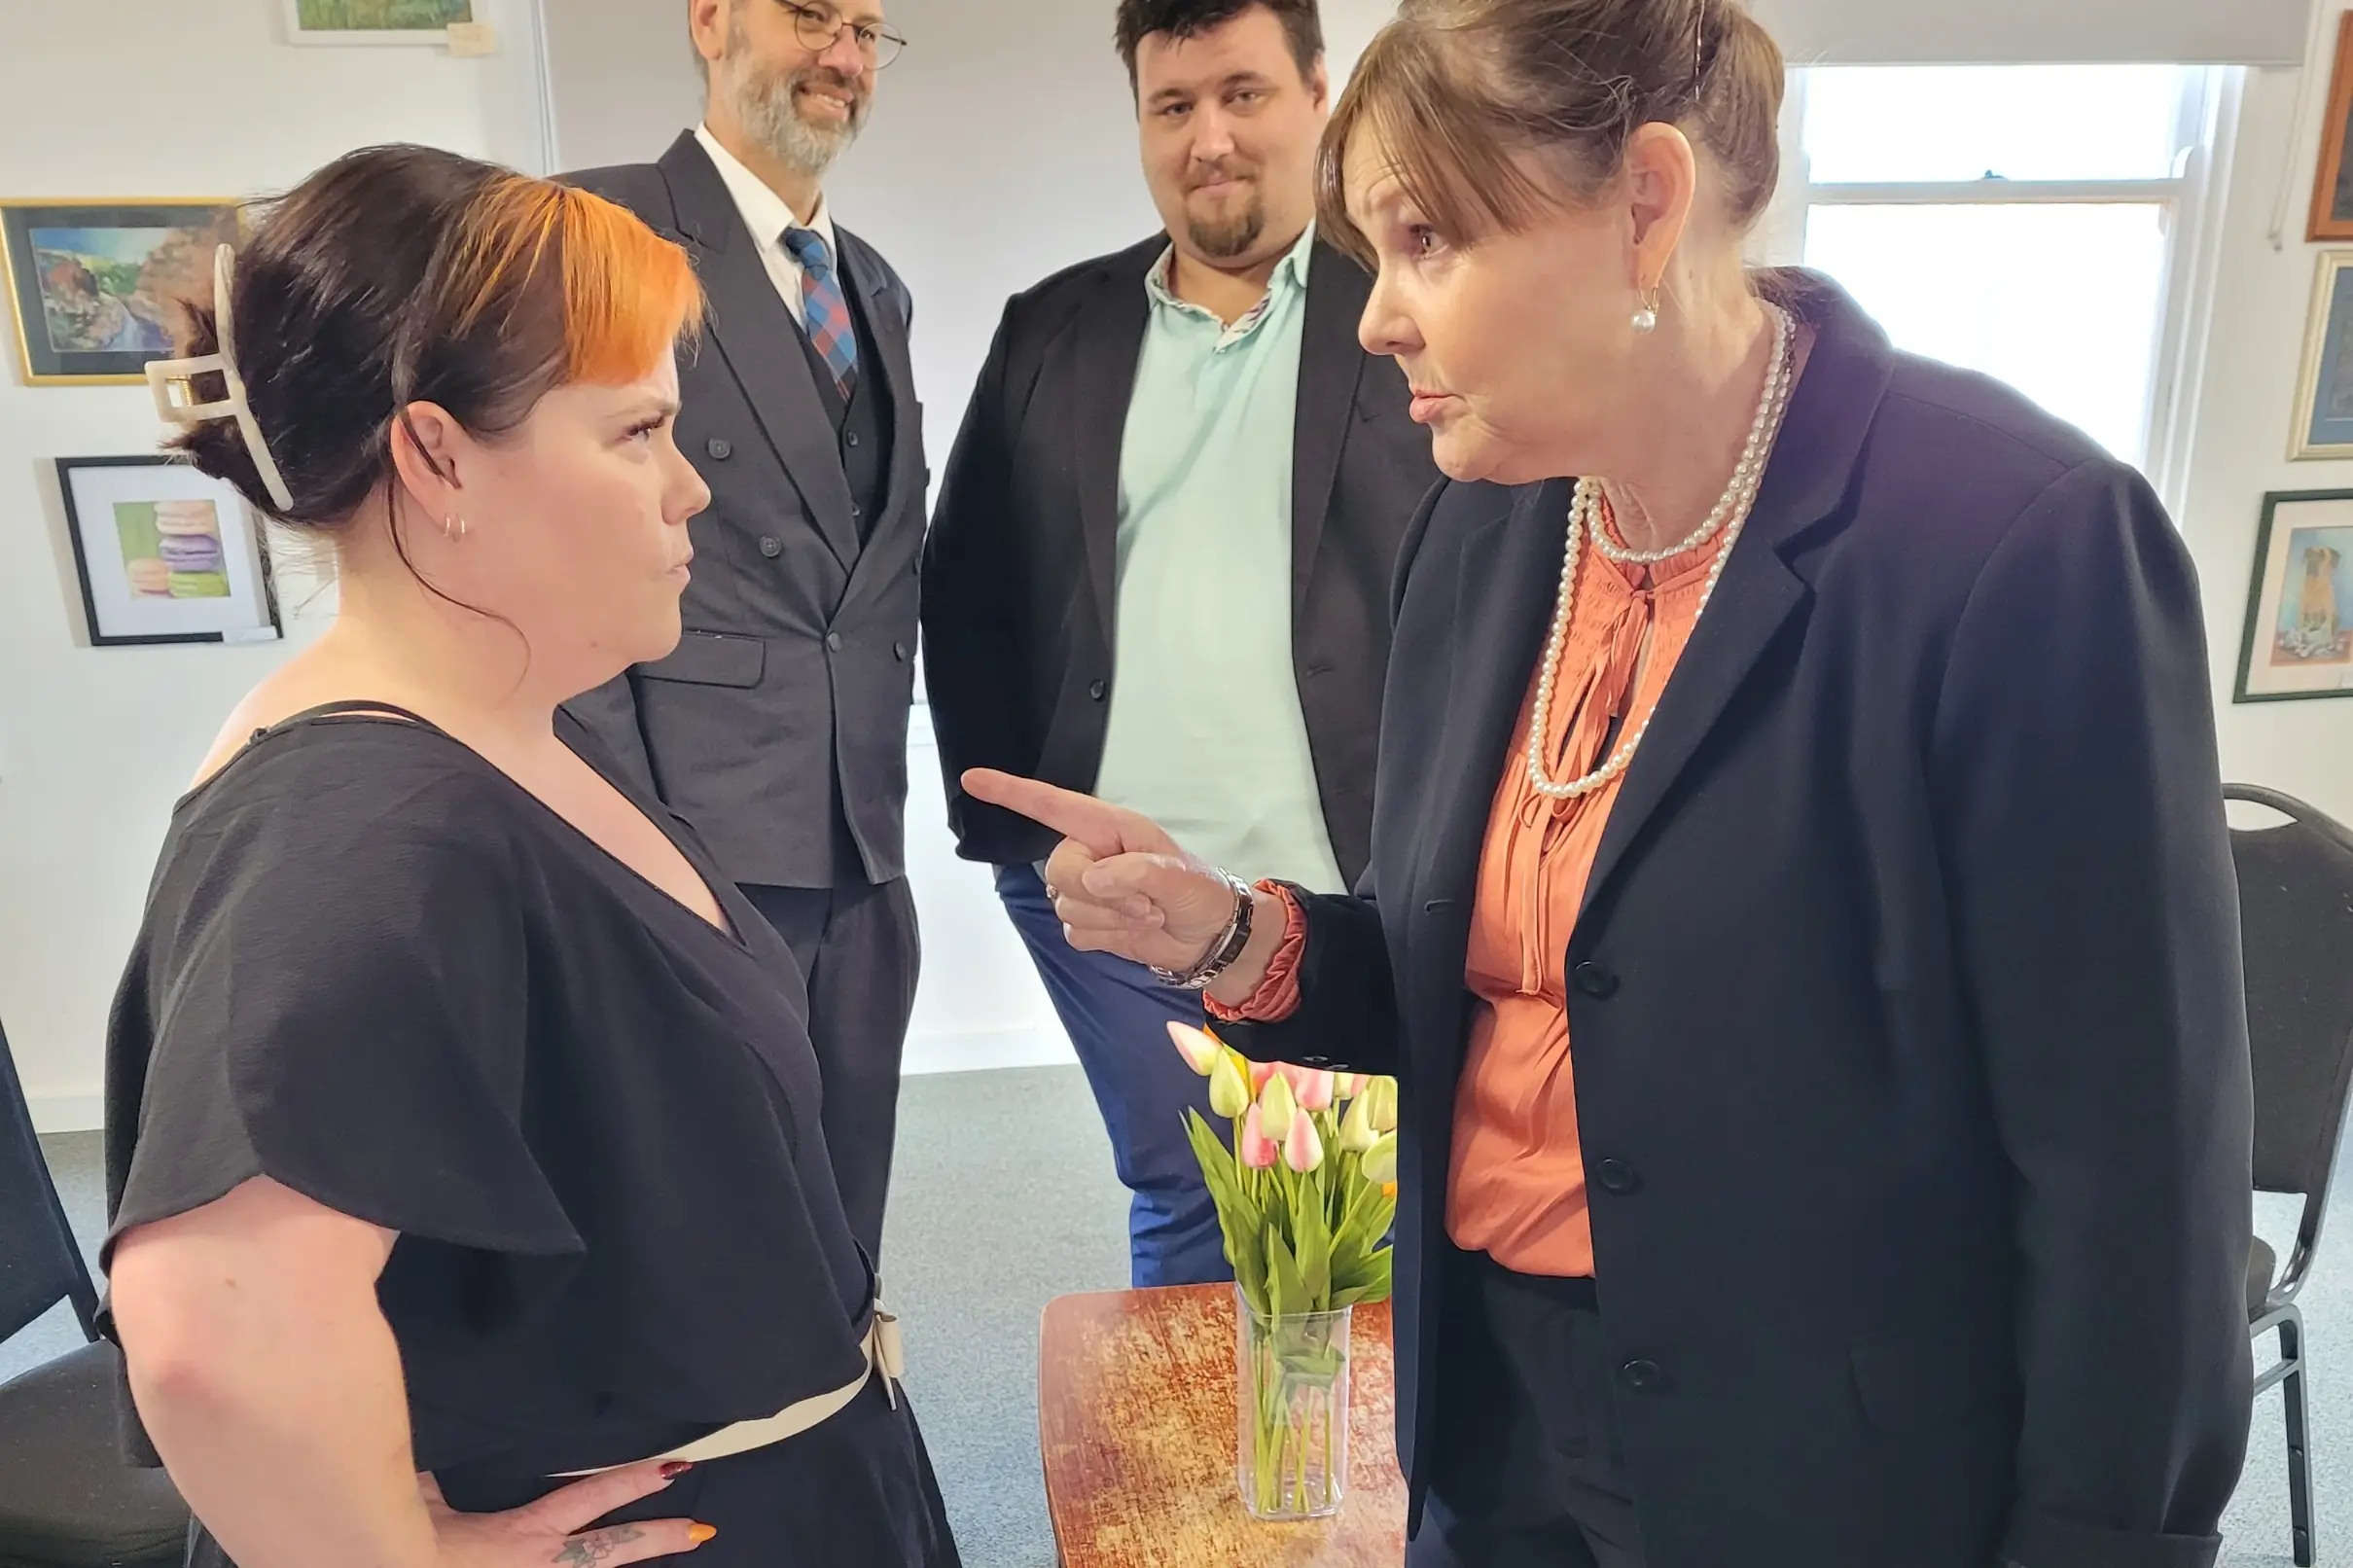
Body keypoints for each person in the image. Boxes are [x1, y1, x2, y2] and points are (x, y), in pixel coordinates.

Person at [962, 0, 2257, 1561]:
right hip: (1488, 1419)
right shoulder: (1492, 526)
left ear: (1643, 206)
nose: (1374, 320)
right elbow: (1474, 975)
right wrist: (1228, 937)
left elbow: (2132, 1183)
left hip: (1818, 1471)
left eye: (1426, 240)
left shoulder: (2014, 546)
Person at [101, 145, 958, 1568]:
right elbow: (217, 1334)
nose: (690, 492)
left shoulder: (505, 739)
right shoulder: (361, 821)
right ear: (438, 456)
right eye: (636, 436)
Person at [921, 0, 1438, 1287]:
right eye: (1172, 106)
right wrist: (1025, 849)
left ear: (1317, 96)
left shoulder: (1412, 307)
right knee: (1195, 1200)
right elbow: (968, 584)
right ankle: (1197, 1490)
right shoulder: (1053, 329)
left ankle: (1381, 1486)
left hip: (1359, 891)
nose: (1209, 137)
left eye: (1243, 93)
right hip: (1115, 898)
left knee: (1377, 1212)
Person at [561, 0, 923, 1265]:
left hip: (859, 844)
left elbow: (869, 571)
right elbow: (551, 546)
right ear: (710, 21)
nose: (842, 54)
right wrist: (625, 833)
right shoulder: (594, 235)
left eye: (870, 30)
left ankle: (840, 1423)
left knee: (844, 1211)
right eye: (811, 14)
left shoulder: (871, 282)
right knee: (703, 1224)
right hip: (691, 834)